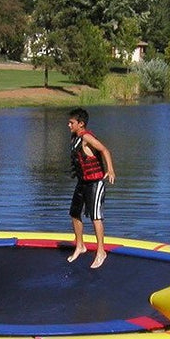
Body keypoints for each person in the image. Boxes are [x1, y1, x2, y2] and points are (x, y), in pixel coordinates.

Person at [66, 108, 116, 269]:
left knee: (95, 216)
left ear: (81, 124)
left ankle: (101, 251)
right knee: (74, 213)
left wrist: (110, 170)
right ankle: (80, 246)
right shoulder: (75, 138)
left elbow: (104, 150)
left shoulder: (86, 137)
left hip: (95, 183)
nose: (68, 125)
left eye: (71, 123)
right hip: (82, 182)